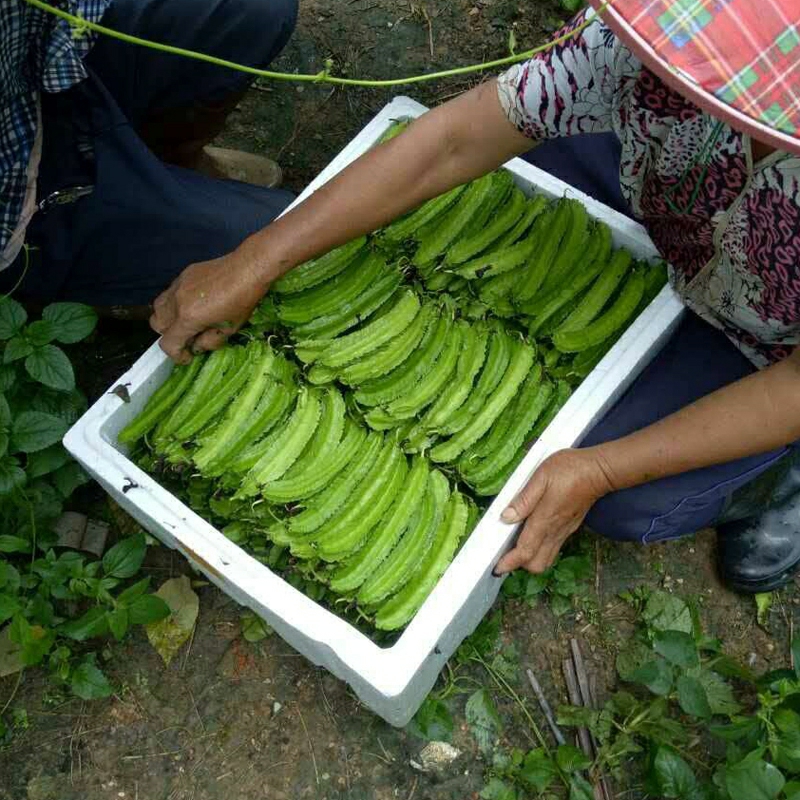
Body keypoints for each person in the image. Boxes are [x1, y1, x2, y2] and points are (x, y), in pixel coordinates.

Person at [148, 1, 800, 594]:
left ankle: (776, 482)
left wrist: (602, 470)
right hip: (670, 199)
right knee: (507, 184)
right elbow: (457, 141)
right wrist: (257, 259)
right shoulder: (658, 41)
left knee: (627, 501)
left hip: (767, 342)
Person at [1, 0, 298, 312]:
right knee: (285, 239)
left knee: (257, 10)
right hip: (21, 206)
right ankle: (114, 272)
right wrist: (256, 264)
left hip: (44, 58)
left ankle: (167, 164)